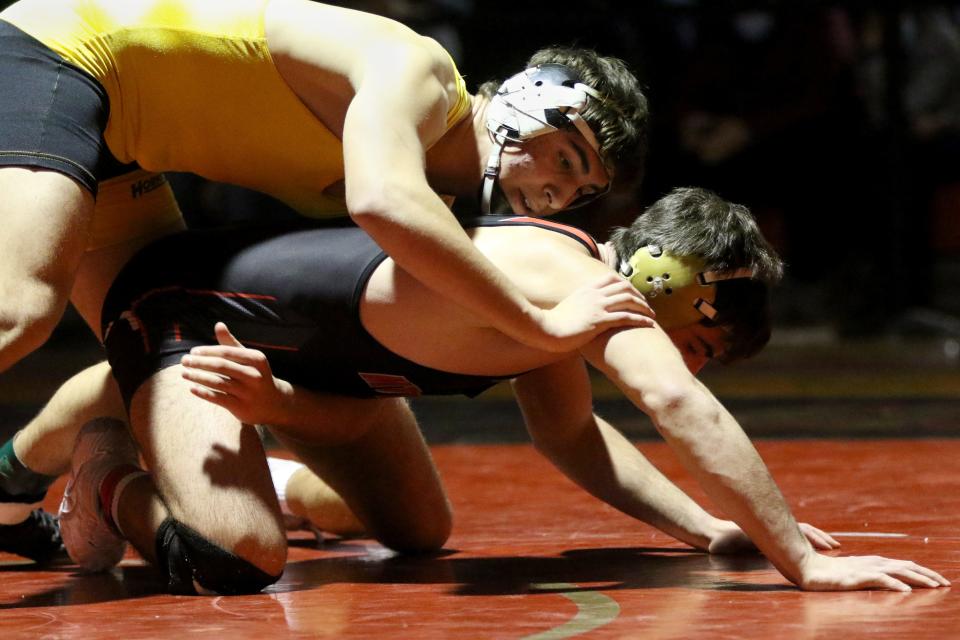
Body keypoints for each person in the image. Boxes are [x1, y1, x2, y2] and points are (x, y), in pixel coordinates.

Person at [11, 187, 949, 595]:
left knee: (422, 533)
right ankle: (105, 480)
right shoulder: (567, 279)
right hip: (184, 314)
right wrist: (801, 558)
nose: (691, 366)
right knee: (240, 562)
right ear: (669, 278)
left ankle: (169, 449)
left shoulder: (553, 314)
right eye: (699, 341)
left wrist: (705, 528)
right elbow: (680, 411)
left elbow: (576, 440)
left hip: (308, 374)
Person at [0, 0, 649, 553]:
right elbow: (379, 202)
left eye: (578, 189)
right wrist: (534, 319)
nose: (555, 195)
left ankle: (7, 489)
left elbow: (358, 362)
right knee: (22, 310)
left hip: (124, 151)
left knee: (150, 338)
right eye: (564, 159)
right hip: (63, 51)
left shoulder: (434, 204)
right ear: (529, 99)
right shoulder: (417, 75)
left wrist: (281, 402)